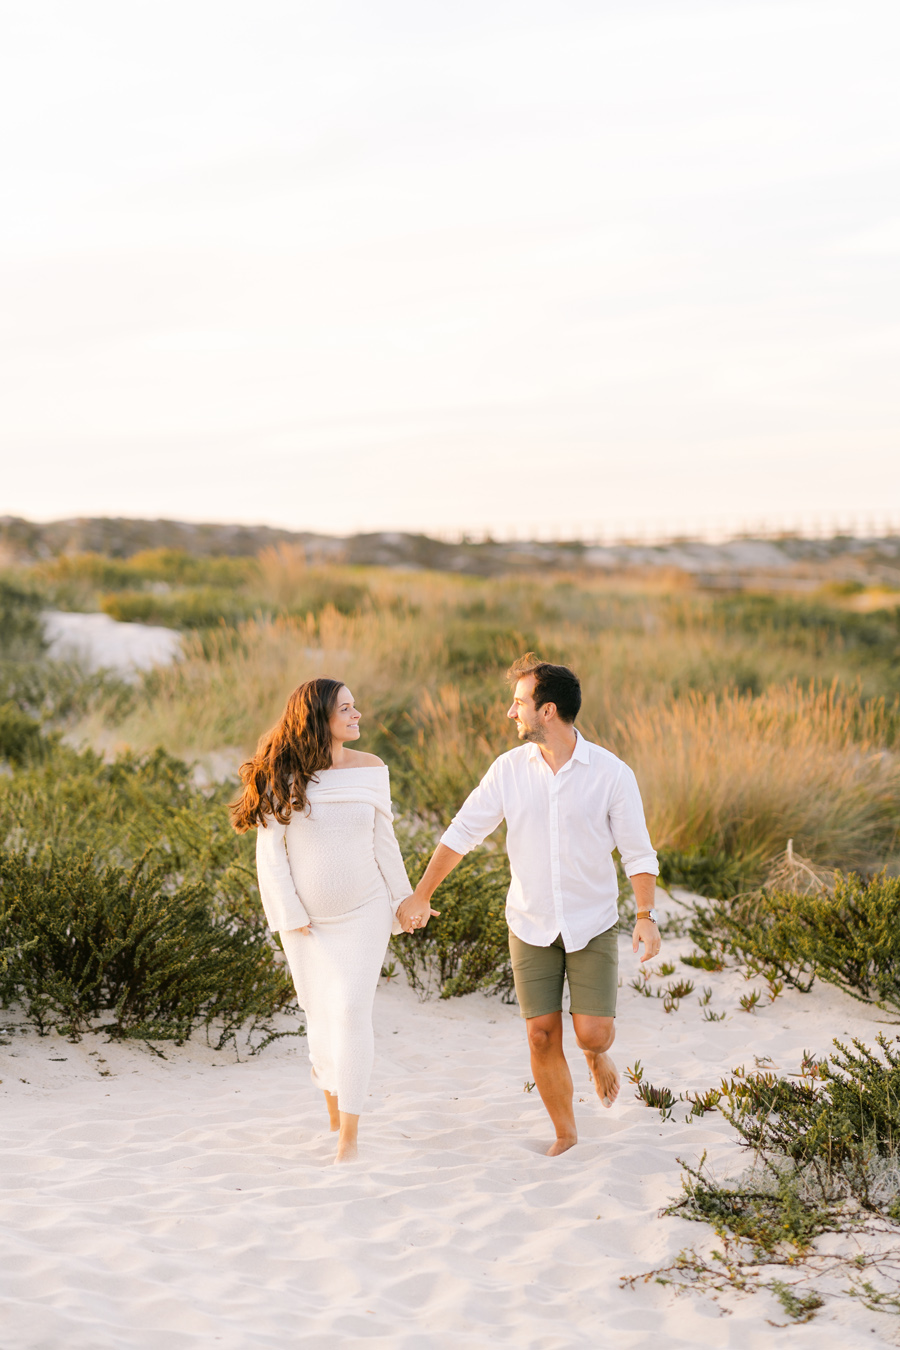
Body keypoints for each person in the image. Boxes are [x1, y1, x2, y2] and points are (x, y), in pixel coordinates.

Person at [397, 653, 661, 1157]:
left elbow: (638, 852)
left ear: (548, 711)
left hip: (591, 922)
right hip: (529, 922)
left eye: (518, 702)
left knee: (594, 1034)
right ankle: (566, 1133)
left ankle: (594, 1056)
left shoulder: (611, 774)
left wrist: (645, 917)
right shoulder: (508, 770)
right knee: (541, 1035)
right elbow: (463, 832)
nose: (510, 712)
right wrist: (421, 893)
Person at [231, 677, 416, 1163]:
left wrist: (405, 900)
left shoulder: (372, 768)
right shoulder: (282, 774)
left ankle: (348, 1139)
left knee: (351, 1011)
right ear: (319, 718)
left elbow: (384, 842)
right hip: (306, 923)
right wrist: (290, 914)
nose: (357, 715)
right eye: (346, 709)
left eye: (355, 706)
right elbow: (271, 853)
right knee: (321, 1019)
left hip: (365, 910)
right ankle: (334, 1111)